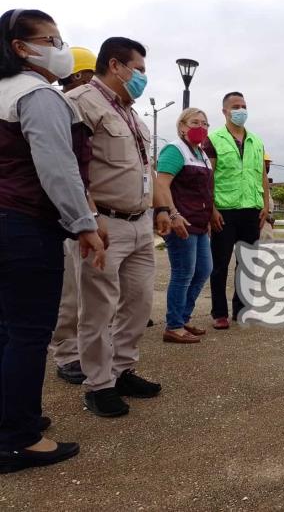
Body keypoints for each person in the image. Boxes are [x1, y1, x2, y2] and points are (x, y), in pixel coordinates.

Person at [0, 8, 105, 473]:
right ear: (21, 48)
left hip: (5, 220)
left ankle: (12, 419)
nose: (60, 48)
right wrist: (83, 223)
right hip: (25, 225)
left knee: (6, 331)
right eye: (51, 39)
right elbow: (56, 168)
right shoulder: (36, 94)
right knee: (27, 334)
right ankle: (18, 439)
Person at [67, 36, 160, 418]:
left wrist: (161, 211)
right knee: (98, 309)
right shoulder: (80, 103)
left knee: (138, 304)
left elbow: (140, 168)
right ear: (116, 65)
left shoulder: (131, 112)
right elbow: (71, 166)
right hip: (104, 223)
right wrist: (90, 217)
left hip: (140, 223)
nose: (142, 77)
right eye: (138, 69)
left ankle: (122, 370)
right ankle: (99, 384)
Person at [50, 45, 98, 385]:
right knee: (70, 293)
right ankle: (67, 353)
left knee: (88, 291)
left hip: (90, 210)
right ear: (80, 76)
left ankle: (84, 349)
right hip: (70, 213)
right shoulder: (66, 106)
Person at [203, 92, 269, 329]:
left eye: (243, 106)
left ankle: (242, 309)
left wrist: (266, 205)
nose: (240, 110)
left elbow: (261, 175)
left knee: (247, 263)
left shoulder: (257, 141)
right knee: (220, 263)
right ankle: (219, 312)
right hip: (224, 210)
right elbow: (207, 177)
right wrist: (211, 210)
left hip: (251, 210)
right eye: (235, 107)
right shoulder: (213, 139)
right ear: (224, 111)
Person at [153, 108, 214, 344]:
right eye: (194, 122)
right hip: (181, 222)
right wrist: (172, 213)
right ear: (182, 127)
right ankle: (174, 325)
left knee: (203, 270)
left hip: (198, 224)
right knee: (183, 273)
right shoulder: (175, 150)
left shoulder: (202, 154)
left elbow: (204, 190)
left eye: (205, 123)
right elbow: (162, 184)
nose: (201, 127)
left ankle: (183, 317)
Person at [260, 153, 275, 241]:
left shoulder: (264, 181)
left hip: (267, 220)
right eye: (266, 163)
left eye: (268, 164)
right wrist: (268, 217)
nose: (267, 166)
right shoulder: (257, 180)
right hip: (262, 221)